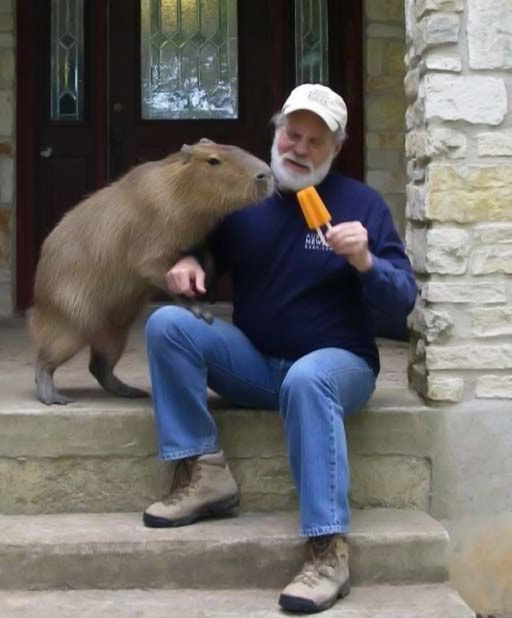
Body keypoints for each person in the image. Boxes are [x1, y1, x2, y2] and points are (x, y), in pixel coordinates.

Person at [142, 83, 417, 614]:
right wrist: (194, 261)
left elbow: (401, 299)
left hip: (339, 367)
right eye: (293, 134)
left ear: (335, 151)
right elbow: (205, 249)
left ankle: (328, 552)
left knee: (309, 378)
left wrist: (365, 262)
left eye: (316, 141)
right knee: (168, 323)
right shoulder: (245, 199)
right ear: (276, 134)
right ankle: (204, 474)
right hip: (256, 364)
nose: (300, 149)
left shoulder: (361, 205)